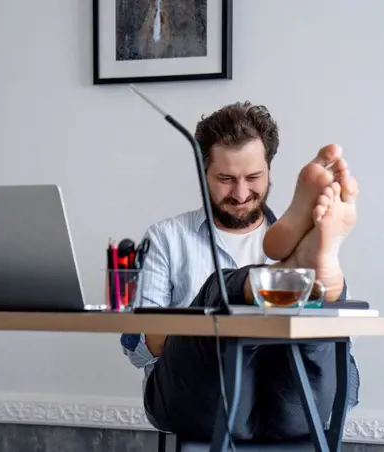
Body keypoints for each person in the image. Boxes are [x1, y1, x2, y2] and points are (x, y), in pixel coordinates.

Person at [120, 101, 361, 441]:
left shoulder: (297, 234)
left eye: (253, 178)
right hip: (200, 400)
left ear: (270, 170)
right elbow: (136, 348)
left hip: (295, 404)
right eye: (225, 179)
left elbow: (340, 351)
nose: (241, 193)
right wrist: (213, 321)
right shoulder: (166, 238)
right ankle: (287, 278)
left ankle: (300, 282)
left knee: (317, 322)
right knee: (221, 292)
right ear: (203, 174)